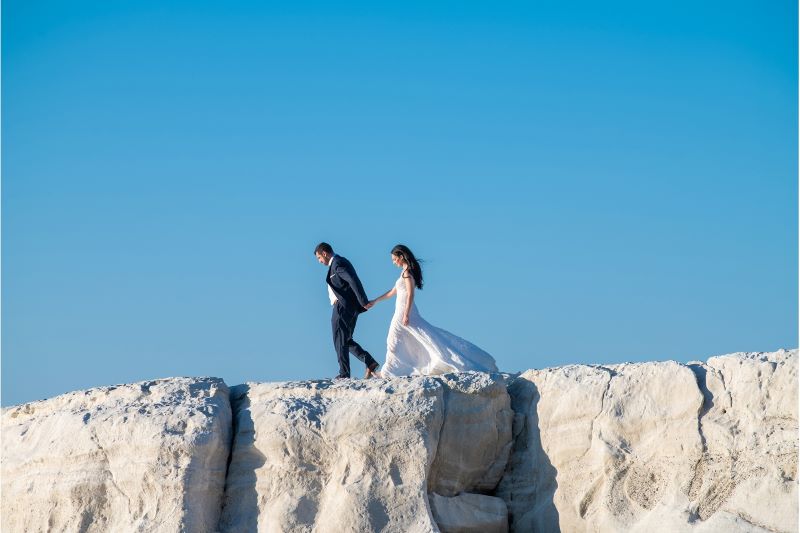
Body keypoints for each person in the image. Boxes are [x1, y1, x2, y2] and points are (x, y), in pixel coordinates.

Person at [366, 244, 498, 376]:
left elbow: (411, 294)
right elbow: (393, 292)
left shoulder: (407, 273)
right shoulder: (403, 273)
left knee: (394, 339)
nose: (394, 262)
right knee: (408, 339)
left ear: (401, 257)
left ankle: (388, 371)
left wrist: (406, 314)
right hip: (401, 310)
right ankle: (393, 370)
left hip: (404, 311)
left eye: (395, 259)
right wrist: (376, 301)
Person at [314, 242, 381, 380]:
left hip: (342, 307)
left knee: (339, 339)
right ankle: (370, 362)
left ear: (324, 253)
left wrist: (363, 301)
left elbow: (352, 280)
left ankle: (344, 374)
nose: (320, 261)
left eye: (319, 258)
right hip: (349, 308)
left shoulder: (337, 263)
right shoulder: (340, 262)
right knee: (345, 340)